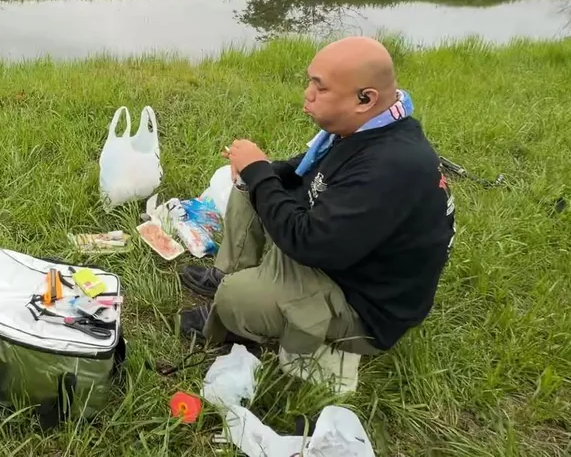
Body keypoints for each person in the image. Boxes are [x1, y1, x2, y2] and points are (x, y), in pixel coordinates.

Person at [177, 36, 455, 357]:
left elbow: (309, 244)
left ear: (365, 99)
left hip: (361, 305)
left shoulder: (389, 166)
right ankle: (229, 272)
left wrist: (259, 171)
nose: (307, 94)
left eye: (320, 88)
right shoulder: (371, 127)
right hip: (341, 255)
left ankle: (232, 322)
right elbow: (304, 171)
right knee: (251, 183)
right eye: (310, 81)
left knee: (237, 297)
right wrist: (258, 171)